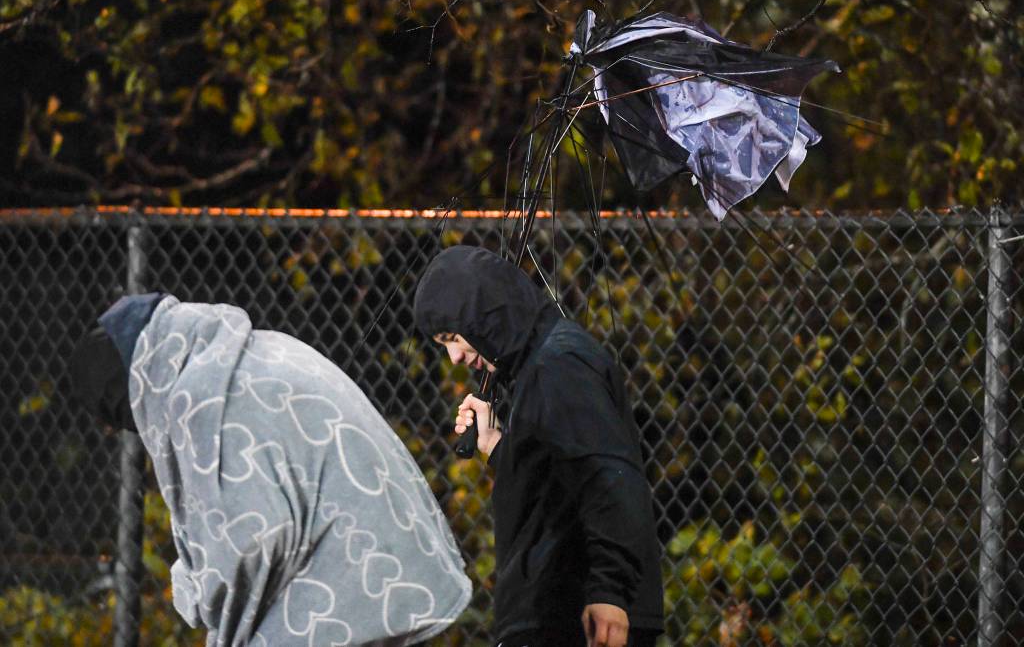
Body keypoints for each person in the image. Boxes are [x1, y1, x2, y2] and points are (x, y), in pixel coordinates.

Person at [69, 293, 471, 646]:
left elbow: (251, 539)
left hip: (349, 594)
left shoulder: (198, 398)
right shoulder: (253, 352)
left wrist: (198, 593)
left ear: (136, 391)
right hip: (390, 572)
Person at [413, 245, 664, 647]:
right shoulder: (540, 368)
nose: (455, 356)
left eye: (453, 337)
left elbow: (608, 479)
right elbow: (558, 485)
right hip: (556, 611)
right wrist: (497, 447)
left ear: (483, 316)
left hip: (575, 615)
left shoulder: (558, 365)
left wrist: (609, 592)